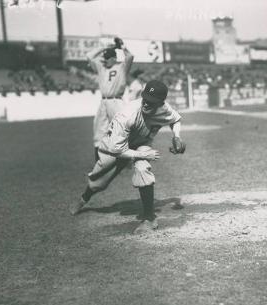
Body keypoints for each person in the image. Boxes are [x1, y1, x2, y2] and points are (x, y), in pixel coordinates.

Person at [69, 80, 186, 233]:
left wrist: (177, 136)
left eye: (151, 102)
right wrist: (142, 154)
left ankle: (150, 219)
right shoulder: (127, 114)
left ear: (160, 103)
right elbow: (117, 149)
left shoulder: (164, 109)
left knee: (143, 169)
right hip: (115, 145)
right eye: (145, 99)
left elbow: (176, 119)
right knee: (99, 179)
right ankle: (83, 199)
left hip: (141, 143)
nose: (146, 104)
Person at [87, 37, 134, 161]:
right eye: (104, 57)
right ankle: (99, 160)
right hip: (104, 101)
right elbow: (89, 56)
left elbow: (130, 56)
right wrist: (105, 47)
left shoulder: (121, 66)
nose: (104, 60)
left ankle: (125, 158)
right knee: (99, 130)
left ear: (114, 58)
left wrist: (121, 47)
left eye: (107, 58)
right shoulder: (101, 67)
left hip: (116, 101)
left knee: (121, 130)